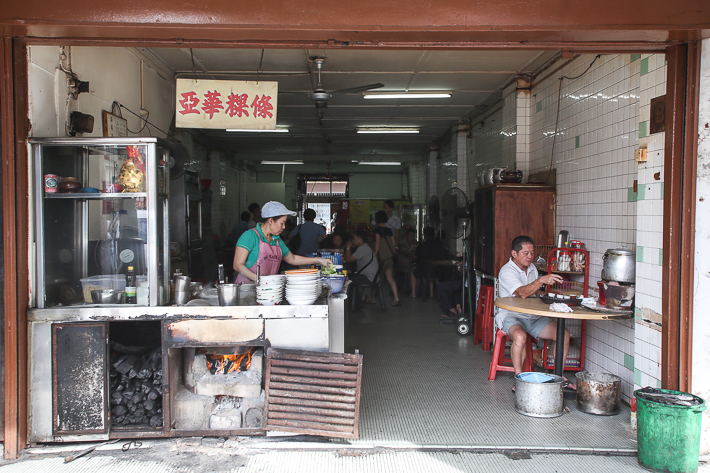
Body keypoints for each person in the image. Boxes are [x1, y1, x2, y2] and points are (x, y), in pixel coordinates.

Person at [495, 235, 571, 389]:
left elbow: (534, 294)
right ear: (514, 254)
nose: (530, 257)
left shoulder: (532, 269)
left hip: (532, 317)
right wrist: (541, 281)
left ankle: (559, 375)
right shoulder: (507, 271)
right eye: (526, 253)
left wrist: (551, 295)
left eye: (532, 253)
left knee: (563, 334)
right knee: (520, 336)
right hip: (512, 316)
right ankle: (519, 379)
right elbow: (522, 292)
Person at [233, 201, 330, 283]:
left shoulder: (277, 240)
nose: (284, 227)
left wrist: (318, 260)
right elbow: (237, 265)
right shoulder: (250, 236)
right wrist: (258, 280)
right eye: (282, 223)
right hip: (247, 290)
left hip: (268, 289)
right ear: (271, 221)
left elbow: (292, 259)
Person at [343, 230, 379, 307]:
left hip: (369, 277)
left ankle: (358, 300)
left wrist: (348, 247)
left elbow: (348, 259)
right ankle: (359, 298)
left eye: (354, 238)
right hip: (373, 276)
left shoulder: (362, 248)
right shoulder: (365, 247)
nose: (352, 240)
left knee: (349, 282)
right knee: (351, 277)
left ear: (360, 239)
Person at [373, 210, 400, 306]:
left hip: (381, 258)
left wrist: (375, 254)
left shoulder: (377, 230)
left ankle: (373, 298)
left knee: (376, 278)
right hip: (389, 257)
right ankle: (396, 297)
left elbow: (378, 243)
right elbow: (393, 243)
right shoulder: (388, 230)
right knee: (390, 278)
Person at [414, 226, 446, 299]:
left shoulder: (421, 246)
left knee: (414, 271)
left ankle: (415, 292)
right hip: (437, 271)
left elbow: (416, 256)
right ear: (434, 234)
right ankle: (432, 292)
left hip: (424, 271)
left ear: (424, 235)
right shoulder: (439, 245)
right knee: (433, 273)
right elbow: (442, 255)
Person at [397, 228, 419, 298]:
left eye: (413, 236)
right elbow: (406, 252)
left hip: (411, 264)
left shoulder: (414, 242)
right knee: (413, 271)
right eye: (410, 236)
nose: (412, 238)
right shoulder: (402, 243)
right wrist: (413, 247)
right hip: (403, 265)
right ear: (406, 236)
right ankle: (412, 290)